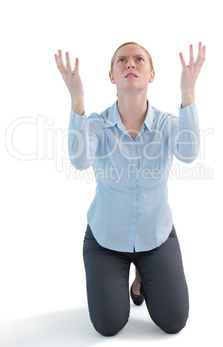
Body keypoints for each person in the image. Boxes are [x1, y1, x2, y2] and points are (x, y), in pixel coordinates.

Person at [54, 41, 206, 337]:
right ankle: (120, 275)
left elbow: (188, 153)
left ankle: (142, 277)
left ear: (151, 75)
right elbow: (80, 159)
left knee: (174, 321)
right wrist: (77, 100)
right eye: (122, 60)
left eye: (139, 59)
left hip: (156, 237)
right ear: (112, 76)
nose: (130, 64)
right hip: (107, 240)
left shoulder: (165, 124)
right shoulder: (98, 125)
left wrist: (188, 94)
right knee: (109, 325)